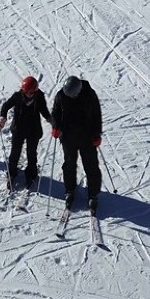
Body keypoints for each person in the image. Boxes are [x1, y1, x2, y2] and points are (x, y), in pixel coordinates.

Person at [51, 76, 103, 214]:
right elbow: (55, 112)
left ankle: (93, 194)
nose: (71, 97)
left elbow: (96, 115)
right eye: (69, 94)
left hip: (87, 136)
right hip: (68, 136)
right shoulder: (61, 95)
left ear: (79, 90)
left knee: (91, 164)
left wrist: (97, 134)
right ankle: (69, 190)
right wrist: (56, 126)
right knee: (69, 164)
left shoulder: (89, 94)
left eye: (73, 95)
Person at [0, 76, 51, 192]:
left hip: (33, 130)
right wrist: (2, 118)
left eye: (31, 92)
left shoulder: (39, 97)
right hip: (18, 129)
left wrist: (52, 120)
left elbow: (44, 110)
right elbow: (5, 106)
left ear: (35, 91)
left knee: (31, 153)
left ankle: (31, 174)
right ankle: (12, 173)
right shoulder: (17, 96)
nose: (29, 95)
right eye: (27, 92)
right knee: (15, 152)